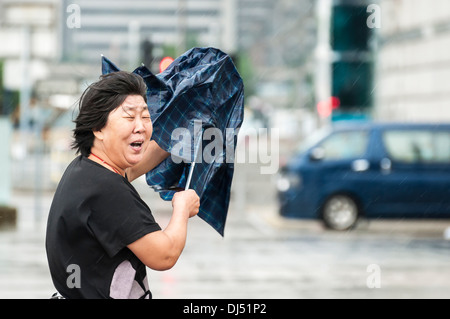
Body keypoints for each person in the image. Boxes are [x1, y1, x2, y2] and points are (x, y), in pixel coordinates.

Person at [45, 71, 200, 299]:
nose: (140, 127)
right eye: (129, 118)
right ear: (98, 128)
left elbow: (133, 168)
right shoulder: (107, 190)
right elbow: (164, 255)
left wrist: (181, 135)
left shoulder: (85, 170)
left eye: (145, 117)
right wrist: (182, 207)